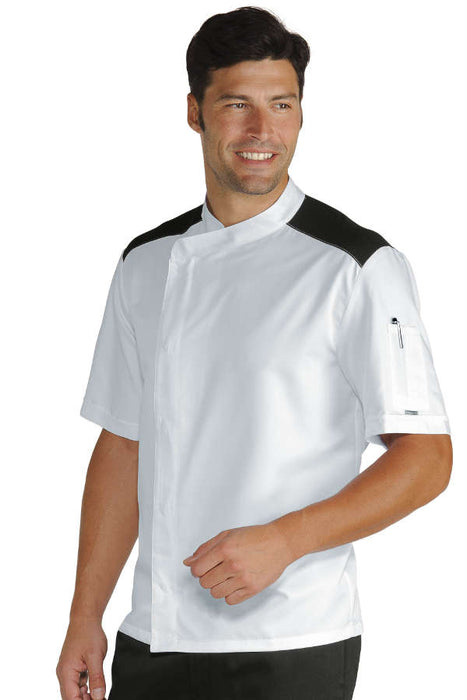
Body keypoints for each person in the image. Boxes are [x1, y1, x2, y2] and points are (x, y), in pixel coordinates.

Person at [56, 6, 453, 700]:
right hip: (154, 637)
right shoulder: (144, 264)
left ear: (301, 114)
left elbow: (426, 459)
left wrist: (286, 539)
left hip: (291, 641)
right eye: (236, 105)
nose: (261, 131)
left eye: (281, 105)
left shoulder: (356, 265)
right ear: (195, 113)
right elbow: (123, 444)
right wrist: (85, 614)